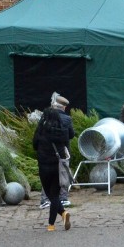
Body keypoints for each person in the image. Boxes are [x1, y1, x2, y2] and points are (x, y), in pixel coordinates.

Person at [33, 95, 75, 231]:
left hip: (44, 163)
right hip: (59, 162)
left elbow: (35, 143)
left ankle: (57, 219)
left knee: (50, 195)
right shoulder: (65, 123)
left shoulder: (43, 124)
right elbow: (71, 135)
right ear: (63, 107)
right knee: (56, 193)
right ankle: (54, 221)